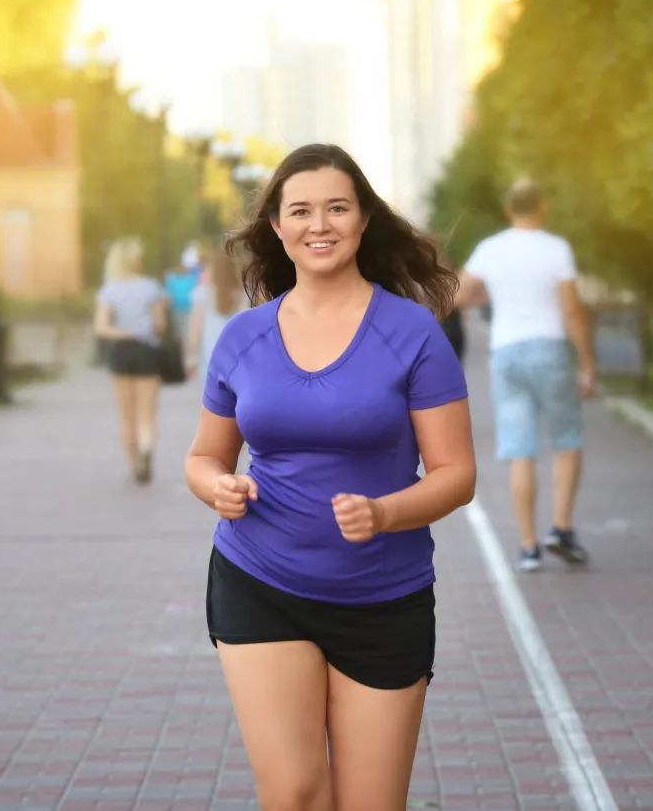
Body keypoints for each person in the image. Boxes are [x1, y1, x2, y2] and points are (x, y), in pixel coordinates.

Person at [184, 143, 477, 811]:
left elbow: (456, 474)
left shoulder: (413, 333)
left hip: (383, 596)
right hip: (260, 583)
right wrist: (216, 488)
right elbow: (203, 457)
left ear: (364, 220)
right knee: (293, 794)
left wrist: (384, 514)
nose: (321, 224)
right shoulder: (243, 337)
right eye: (302, 211)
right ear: (278, 229)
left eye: (338, 208)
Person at [454, 178, 596, 572]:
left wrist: (489, 297)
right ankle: (561, 528)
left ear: (507, 208)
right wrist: (587, 363)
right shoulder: (556, 249)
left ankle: (528, 546)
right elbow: (571, 311)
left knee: (520, 449)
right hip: (549, 349)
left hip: (507, 352)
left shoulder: (490, 249)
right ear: (543, 206)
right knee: (566, 439)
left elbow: (459, 293)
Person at [94, 237, 168, 485]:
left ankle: (135, 465)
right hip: (147, 351)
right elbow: (160, 326)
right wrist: (144, 329)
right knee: (146, 415)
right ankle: (147, 450)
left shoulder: (110, 289)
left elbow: (101, 327)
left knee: (126, 415)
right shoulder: (151, 287)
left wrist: (124, 332)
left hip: (121, 353)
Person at [186, 244, 246, 379]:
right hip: (237, 358)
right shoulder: (242, 294)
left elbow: (195, 329)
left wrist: (191, 357)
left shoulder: (202, 293)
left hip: (210, 357)